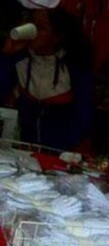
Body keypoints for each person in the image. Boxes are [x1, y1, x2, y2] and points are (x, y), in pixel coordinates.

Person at [0, 9, 94, 150]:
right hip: (23, 153)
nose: (33, 33)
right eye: (32, 25)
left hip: (62, 155)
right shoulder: (18, 62)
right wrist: (7, 55)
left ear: (57, 36)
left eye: (41, 28)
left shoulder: (74, 69)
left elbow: (84, 118)